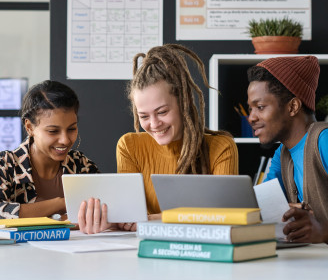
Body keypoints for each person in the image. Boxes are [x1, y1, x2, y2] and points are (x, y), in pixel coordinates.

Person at [78, 44, 238, 234]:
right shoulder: (129, 147)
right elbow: (130, 216)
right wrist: (110, 221)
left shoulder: (220, 147)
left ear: (183, 102)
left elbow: (225, 215)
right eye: (144, 116)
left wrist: (153, 219)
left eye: (162, 112)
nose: (154, 124)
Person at [0, 80, 99, 225]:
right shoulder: (3, 165)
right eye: (53, 131)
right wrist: (61, 204)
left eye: (71, 129)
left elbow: (105, 209)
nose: (65, 140)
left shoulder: (81, 165)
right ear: (29, 127)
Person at [247, 56, 328, 243]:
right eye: (250, 108)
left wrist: (324, 231)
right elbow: (259, 204)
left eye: (260, 107)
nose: (251, 118)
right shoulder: (283, 154)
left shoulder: (323, 141)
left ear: (293, 106)